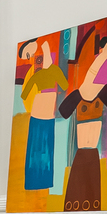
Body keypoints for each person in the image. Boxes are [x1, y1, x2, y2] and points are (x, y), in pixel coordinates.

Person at [57, 34, 107, 211]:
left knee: (90, 189)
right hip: (80, 150)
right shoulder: (80, 93)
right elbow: (64, 111)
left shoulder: (106, 86)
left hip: (93, 149)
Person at [18, 37, 69, 191]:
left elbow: (24, 94)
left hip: (38, 112)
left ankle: (34, 182)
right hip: (47, 114)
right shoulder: (54, 71)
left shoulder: (37, 75)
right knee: (46, 149)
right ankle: (44, 182)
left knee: (36, 149)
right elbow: (65, 85)